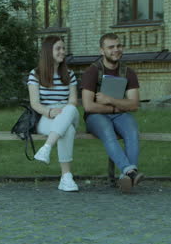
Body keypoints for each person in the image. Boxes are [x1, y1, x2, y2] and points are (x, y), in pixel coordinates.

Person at [81, 32, 143, 192]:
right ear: (102, 51)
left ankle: (126, 178)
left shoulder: (128, 72)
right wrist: (118, 106)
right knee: (108, 131)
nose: (116, 50)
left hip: (118, 113)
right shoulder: (92, 72)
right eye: (111, 47)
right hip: (95, 117)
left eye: (119, 46)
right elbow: (88, 106)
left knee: (132, 131)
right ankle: (130, 172)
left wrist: (111, 101)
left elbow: (134, 104)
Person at [27, 36, 80, 192]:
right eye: (58, 48)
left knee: (70, 109)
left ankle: (47, 147)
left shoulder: (69, 74)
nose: (62, 52)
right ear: (48, 51)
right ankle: (66, 177)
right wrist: (50, 112)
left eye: (63, 48)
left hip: (68, 113)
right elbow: (35, 103)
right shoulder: (35, 74)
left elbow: (73, 100)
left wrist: (62, 112)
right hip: (46, 115)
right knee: (67, 130)